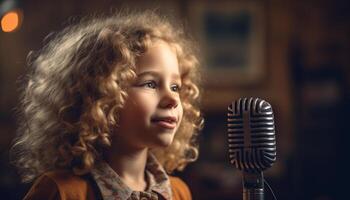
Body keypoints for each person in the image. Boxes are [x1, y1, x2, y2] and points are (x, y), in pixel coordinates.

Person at [10, 10, 203, 200]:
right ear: (99, 96)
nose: (173, 99)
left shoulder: (178, 193)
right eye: (150, 84)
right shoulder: (62, 191)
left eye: (175, 86)